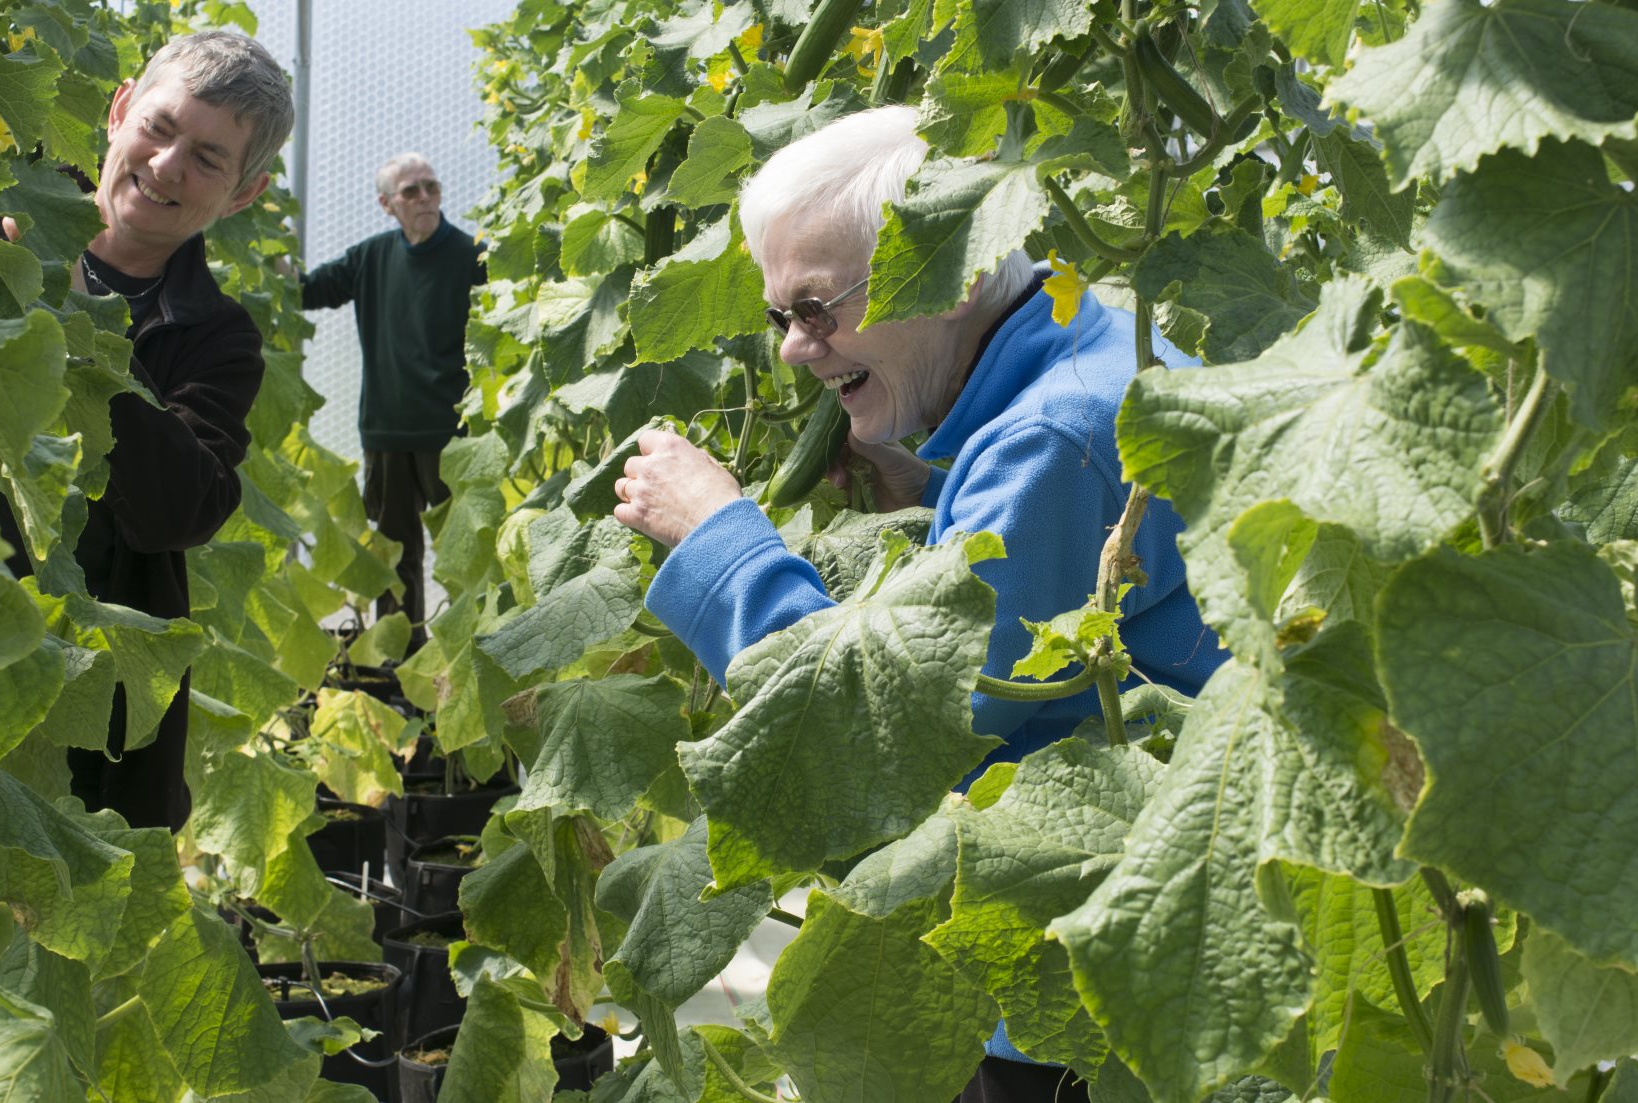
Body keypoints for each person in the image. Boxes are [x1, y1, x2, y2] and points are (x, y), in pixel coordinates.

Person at [610, 106, 1227, 1101]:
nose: (793, 349)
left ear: (958, 267)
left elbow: (875, 740)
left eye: (817, 309)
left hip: (1077, 999)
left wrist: (720, 537)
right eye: (781, 318)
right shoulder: (1084, 343)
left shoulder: (1051, 442)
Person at [0, 30, 294, 830]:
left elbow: (176, 508)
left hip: (96, 708)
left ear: (242, 195)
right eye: (159, 128)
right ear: (120, 109)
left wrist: (67, 314)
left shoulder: (215, 339)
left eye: (207, 159)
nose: (166, 167)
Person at [294, 153, 487, 642]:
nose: (424, 198)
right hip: (385, 432)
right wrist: (266, 248)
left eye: (431, 187)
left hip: (453, 436)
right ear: (387, 204)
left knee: (462, 554)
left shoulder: (472, 257)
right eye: (411, 191)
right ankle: (400, 659)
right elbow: (306, 291)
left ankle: (464, 653)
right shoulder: (370, 258)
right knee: (395, 554)